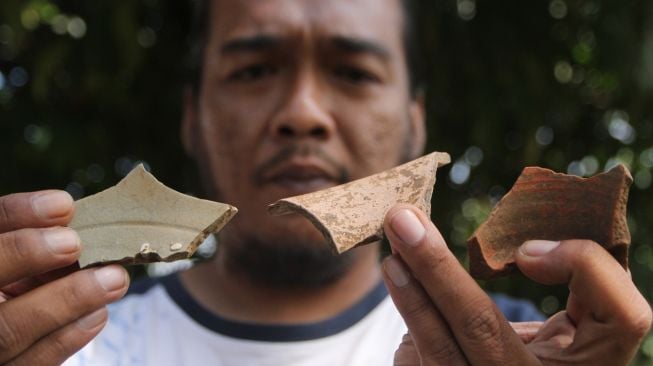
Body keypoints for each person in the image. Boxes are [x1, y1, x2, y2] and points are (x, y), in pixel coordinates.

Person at [1, 0, 650, 365]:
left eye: (353, 73)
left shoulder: (518, 350)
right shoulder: (66, 347)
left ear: (414, 122)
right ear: (192, 119)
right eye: (254, 71)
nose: (301, 114)